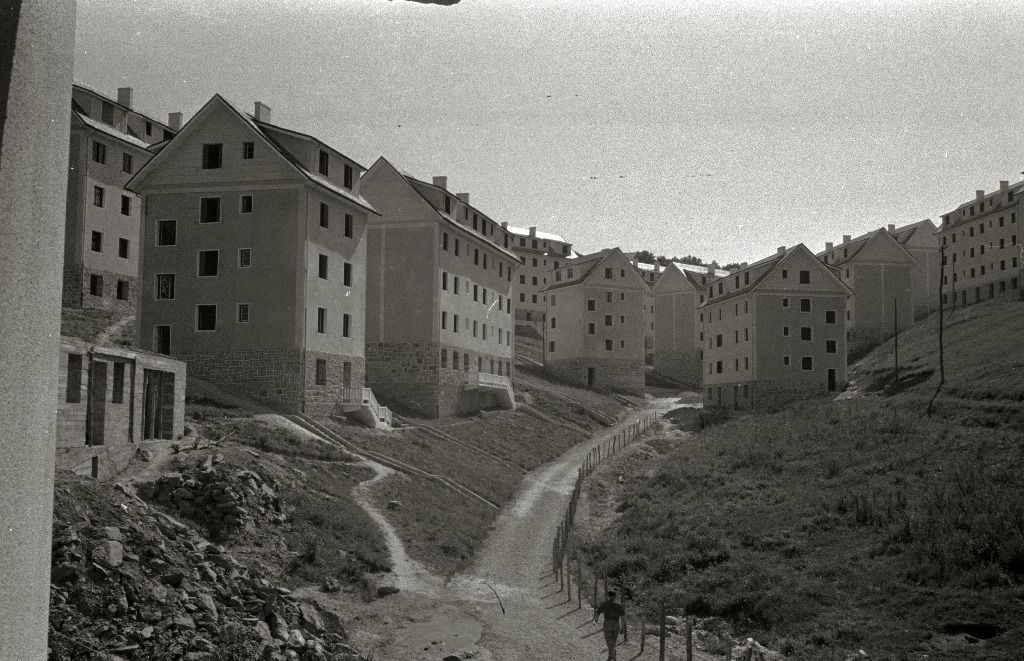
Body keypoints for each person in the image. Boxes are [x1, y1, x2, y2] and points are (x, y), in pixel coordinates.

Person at [593, 589, 627, 660]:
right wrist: (622, 628)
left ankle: (612, 656)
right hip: (616, 624)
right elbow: (623, 617)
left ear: (608, 596)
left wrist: (595, 621)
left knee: (609, 641)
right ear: (615, 596)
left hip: (607, 624)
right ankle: (611, 656)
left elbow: (598, 612)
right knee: (613, 641)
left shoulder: (605, 604)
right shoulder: (619, 605)